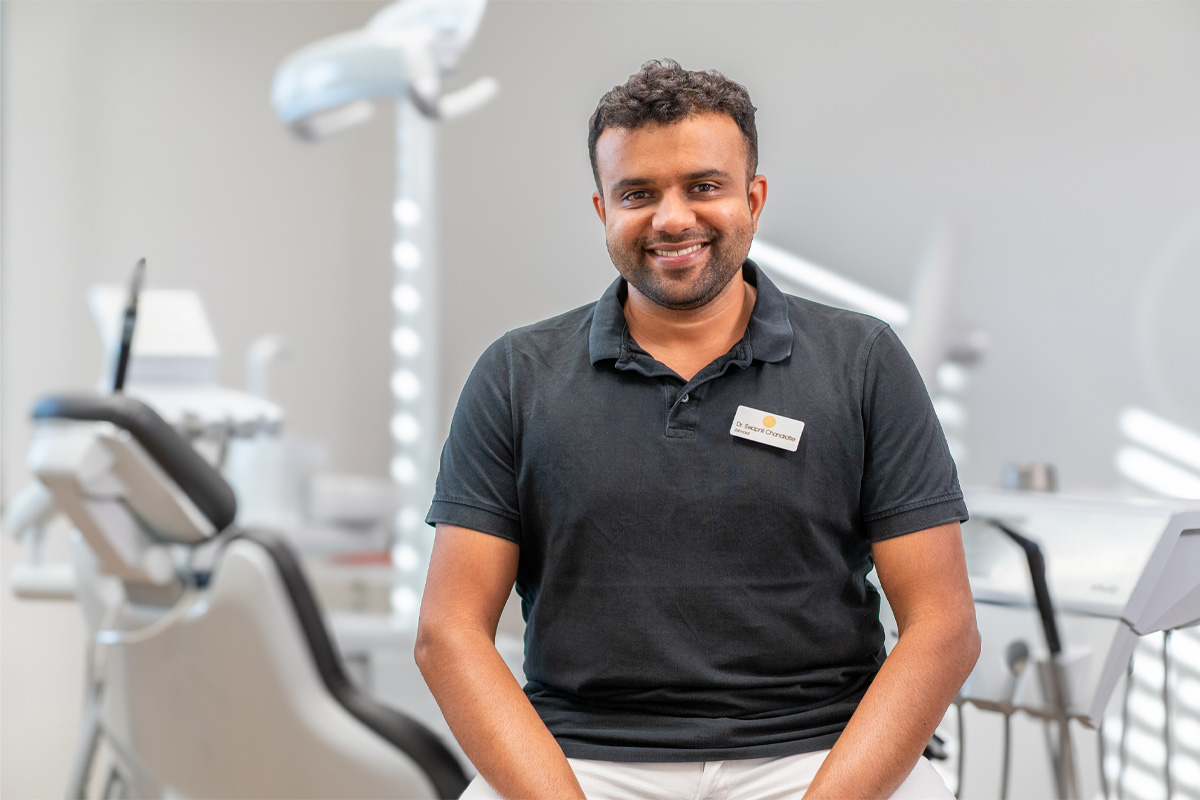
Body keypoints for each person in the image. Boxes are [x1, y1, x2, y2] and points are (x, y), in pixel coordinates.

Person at [415, 59, 980, 799]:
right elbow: (448, 634)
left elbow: (944, 627)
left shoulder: (862, 362)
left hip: (818, 754)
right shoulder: (517, 375)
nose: (672, 218)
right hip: (581, 761)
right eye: (638, 194)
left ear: (754, 197)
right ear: (602, 211)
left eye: (703, 186)